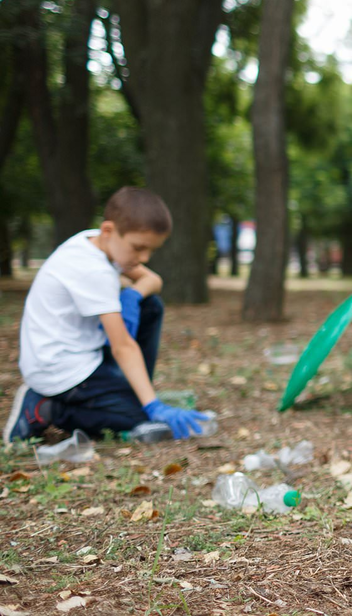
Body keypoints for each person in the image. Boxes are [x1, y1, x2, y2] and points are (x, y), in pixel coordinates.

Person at [4, 187, 210, 443]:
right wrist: (153, 406)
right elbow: (122, 347)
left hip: (80, 354)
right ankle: (44, 408)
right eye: (138, 248)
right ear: (109, 230)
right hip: (60, 370)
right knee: (141, 419)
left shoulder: (94, 241)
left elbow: (153, 280)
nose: (144, 257)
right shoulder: (93, 269)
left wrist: (133, 296)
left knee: (150, 305)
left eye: (151, 251)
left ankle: (130, 390)